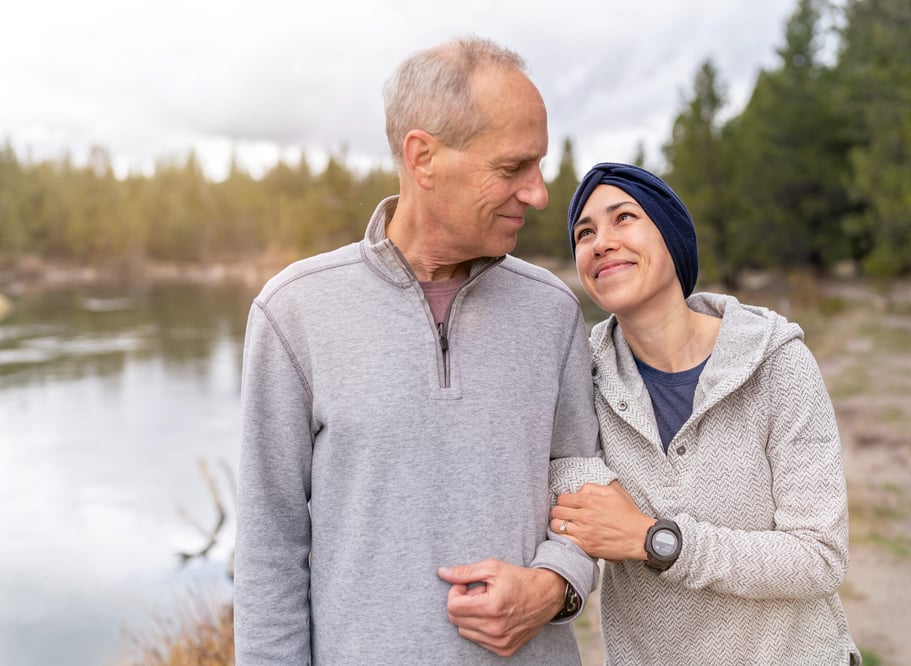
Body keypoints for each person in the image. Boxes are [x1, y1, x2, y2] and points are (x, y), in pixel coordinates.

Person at [233, 37, 614, 665]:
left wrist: (553, 587)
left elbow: (583, 490)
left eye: (539, 165)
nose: (539, 193)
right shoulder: (293, 312)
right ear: (424, 158)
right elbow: (269, 552)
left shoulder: (552, 311)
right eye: (512, 167)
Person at [549, 162, 862, 665]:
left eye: (623, 218)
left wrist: (654, 540)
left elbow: (818, 557)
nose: (600, 242)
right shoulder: (580, 380)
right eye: (584, 232)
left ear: (672, 239)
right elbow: (566, 493)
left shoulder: (776, 363)